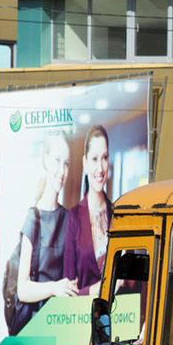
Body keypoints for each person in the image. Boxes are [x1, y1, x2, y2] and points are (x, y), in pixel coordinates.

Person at [10, 132, 76, 329]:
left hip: (62, 325)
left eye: (66, 163)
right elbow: (22, 289)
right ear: (46, 160)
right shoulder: (34, 218)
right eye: (57, 160)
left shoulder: (68, 218)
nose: (62, 171)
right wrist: (55, 288)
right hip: (36, 328)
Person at [64, 125, 112, 296]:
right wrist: (97, 290)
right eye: (94, 159)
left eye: (104, 158)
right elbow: (69, 292)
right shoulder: (74, 216)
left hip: (118, 317)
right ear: (85, 163)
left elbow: (128, 283)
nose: (100, 168)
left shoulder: (117, 216)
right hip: (83, 318)